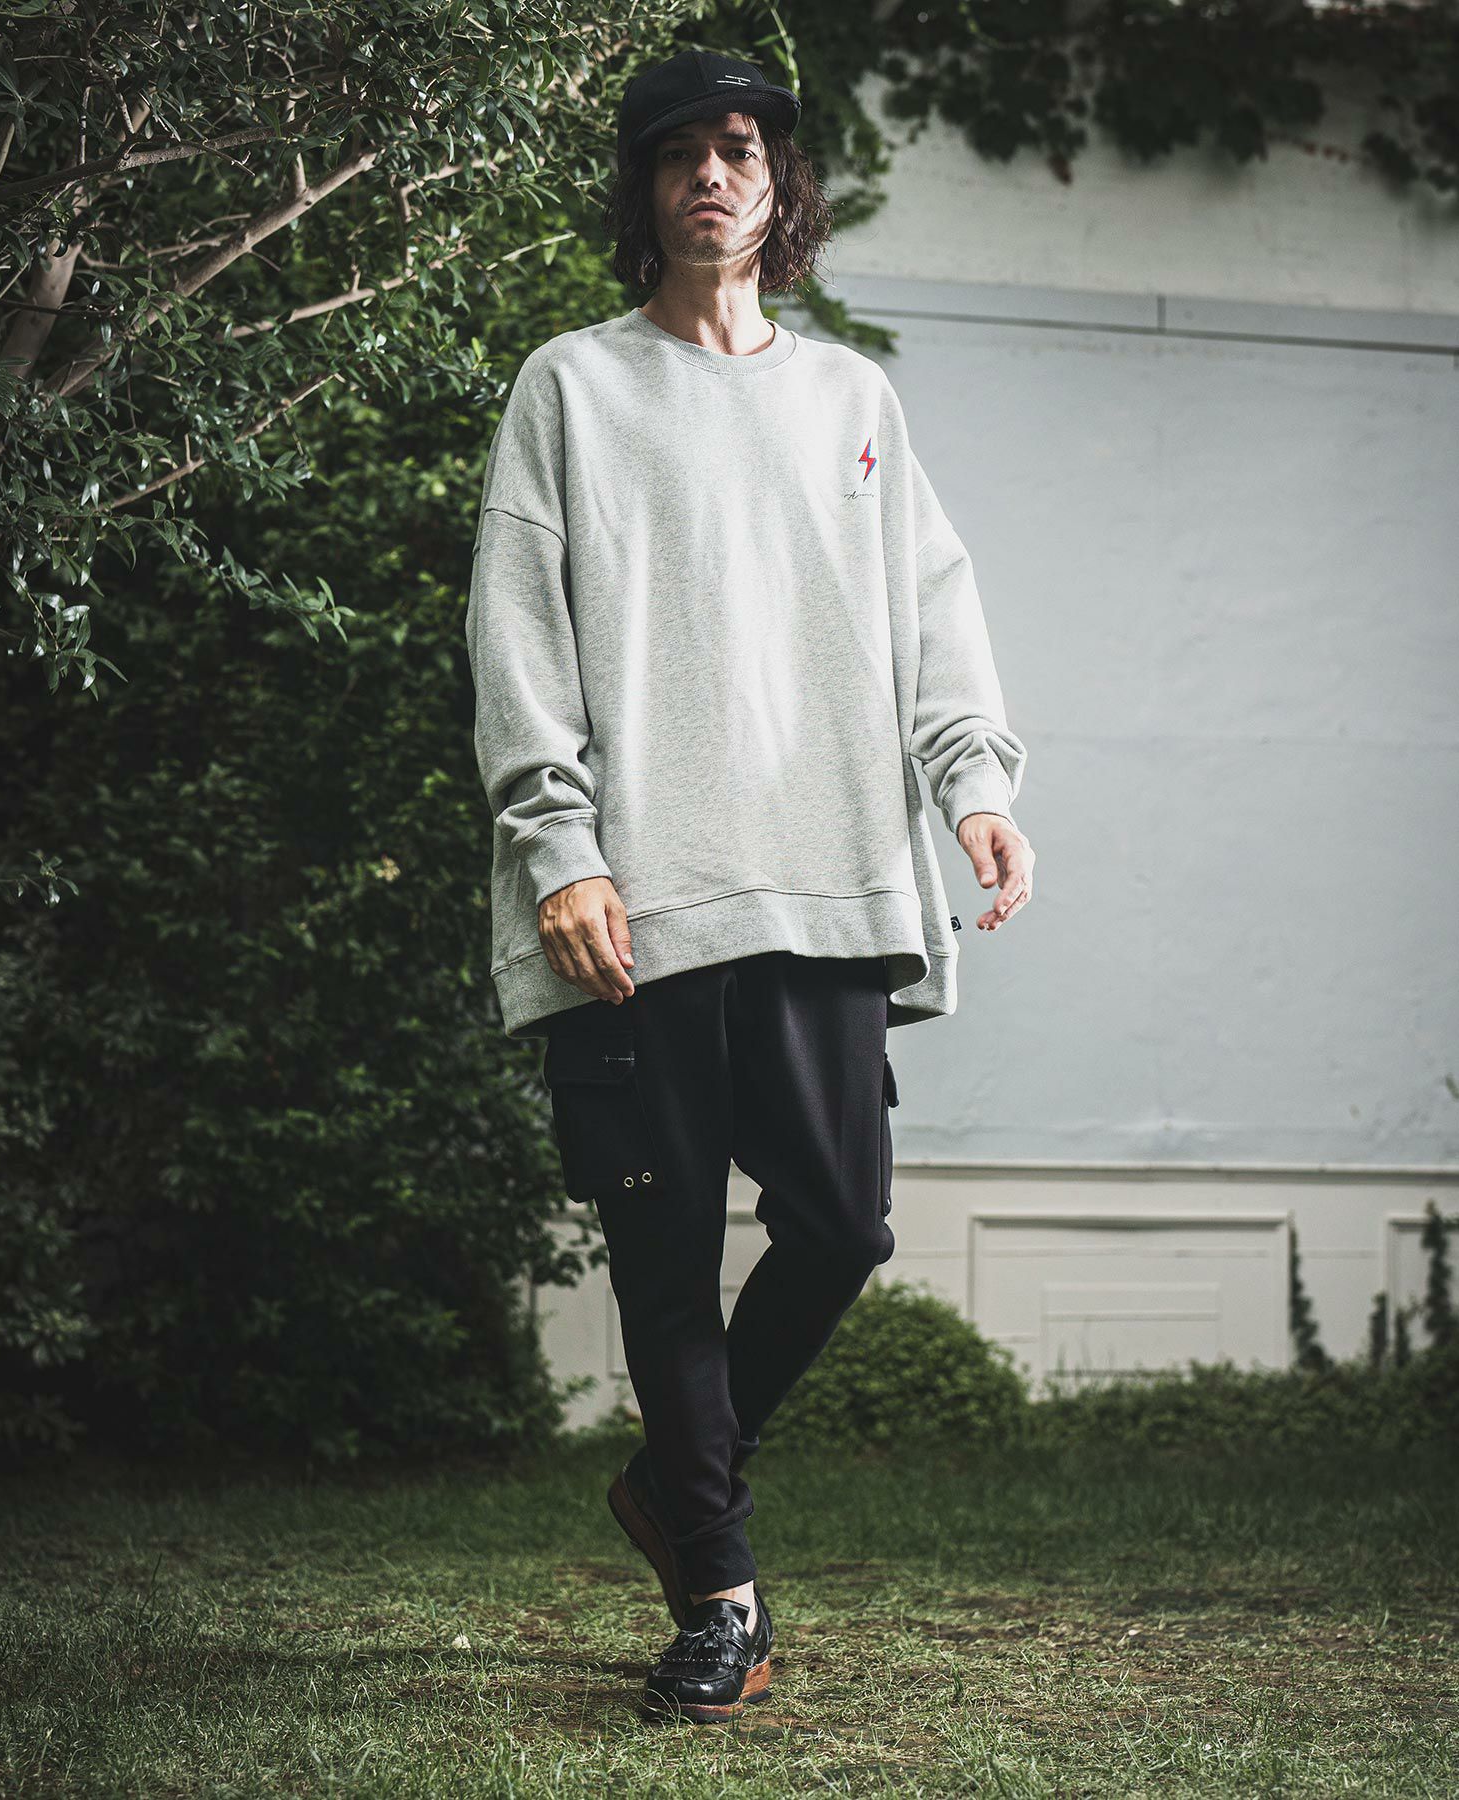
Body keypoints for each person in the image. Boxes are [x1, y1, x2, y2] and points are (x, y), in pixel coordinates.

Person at [463, 46, 1035, 1723]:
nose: (711, 175)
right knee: (662, 1261)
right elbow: (517, 638)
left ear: (781, 188)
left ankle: (674, 1481)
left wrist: (977, 787)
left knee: (842, 1227)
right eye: (679, 154)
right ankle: (718, 1593)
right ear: (643, 190)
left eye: (738, 149)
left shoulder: (851, 400)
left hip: (828, 884)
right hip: (638, 901)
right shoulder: (573, 387)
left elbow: (935, 611)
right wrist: (560, 849)